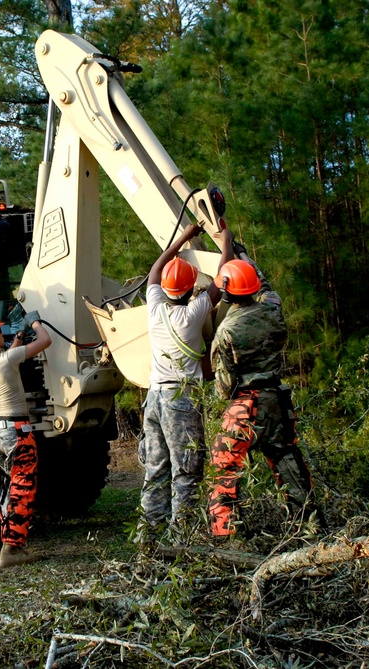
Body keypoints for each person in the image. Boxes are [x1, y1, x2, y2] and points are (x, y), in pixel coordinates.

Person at [208, 246, 321, 539]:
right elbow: (265, 284)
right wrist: (242, 255)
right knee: (287, 460)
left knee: (224, 468)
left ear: (226, 293)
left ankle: (226, 536)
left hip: (245, 405)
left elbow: (223, 388)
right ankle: (308, 526)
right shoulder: (272, 308)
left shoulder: (226, 331)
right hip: (277, 401)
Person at [139, 219, 231, 543]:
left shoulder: (154, 309)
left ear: (163, 289)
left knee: (156, 470)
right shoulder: (192, 315)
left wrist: (183, 238)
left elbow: (155, 270)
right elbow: (222, 282)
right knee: (187, 471)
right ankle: (184, 542)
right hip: (180, 402)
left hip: (154, 398)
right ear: (192, 288)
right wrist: (227, 242)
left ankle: (150, 538)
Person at [0, 309, 52, 567]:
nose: (1, 335)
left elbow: (8, 355)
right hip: (17, 432)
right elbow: (45, 340)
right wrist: (35, 323)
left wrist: (17, 335)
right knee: (22, 487)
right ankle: (12, 551)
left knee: (6, 487)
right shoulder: (6, 360)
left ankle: (8, 543)